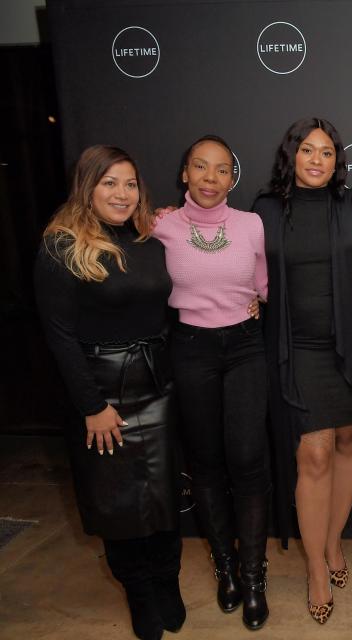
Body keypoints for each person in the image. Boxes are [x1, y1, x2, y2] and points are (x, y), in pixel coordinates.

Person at [34, 145, 183, 640]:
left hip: (158, 386)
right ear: (87, 187)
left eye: (130, 183)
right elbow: (58, 336)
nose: (122, 194)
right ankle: (139, 592)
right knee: (120, 508)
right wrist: (92, 407)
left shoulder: (149, 239)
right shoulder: (61, 246)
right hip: (103, 393)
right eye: (109, 183)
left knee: (163, 500)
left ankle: (167, 583)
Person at [250, 118, 352, 624]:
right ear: (292, 156)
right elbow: (233, 254)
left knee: (347, 443)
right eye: (307, 150)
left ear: (336, 160)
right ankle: (315, 569)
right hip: (296, 350)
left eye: (326, 152)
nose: (316, 160)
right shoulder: (266, 209)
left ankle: (333, 542)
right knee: (314, 453)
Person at [152, 135, 271, 630]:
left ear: (232, 178)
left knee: (246, 459)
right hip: (191, 347)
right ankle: (225, 569)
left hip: (245, 346)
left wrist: (249, 305)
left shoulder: (251, 224)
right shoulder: (158, 224)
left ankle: (253, 577)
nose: (209, 178)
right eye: (200, 167)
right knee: (204, 461)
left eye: (221, 170)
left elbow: (262, 286)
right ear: (184, 173)